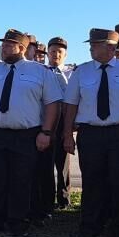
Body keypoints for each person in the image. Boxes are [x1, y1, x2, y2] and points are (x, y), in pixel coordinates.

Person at [60, 28, 119, 237]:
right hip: (91, 133)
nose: (91, 48)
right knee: (92, 180)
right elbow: (71, 105)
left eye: (96, 44)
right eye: (91, 44)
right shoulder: (81, 72)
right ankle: (90, 226)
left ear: (111, 47)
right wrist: (67, 134)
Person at [0, 29, 64, 237]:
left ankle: (17, 221)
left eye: (9, 45)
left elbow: (53, 104)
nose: (3, 48)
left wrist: (46, 132)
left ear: (22, 48)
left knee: (21, 179)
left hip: (26, 135)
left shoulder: (40, 72)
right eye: (3, 44)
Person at [43, 37, 73, 211]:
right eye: (53, 51)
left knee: (63, 162)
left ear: (65, 54)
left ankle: (64, 197)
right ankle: (46, 198)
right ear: (48, 53)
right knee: (45, 161)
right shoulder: (42, 72)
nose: (56, 54)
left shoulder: (72, 73)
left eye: (60, 52)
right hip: (46, 121)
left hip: (64, 120)